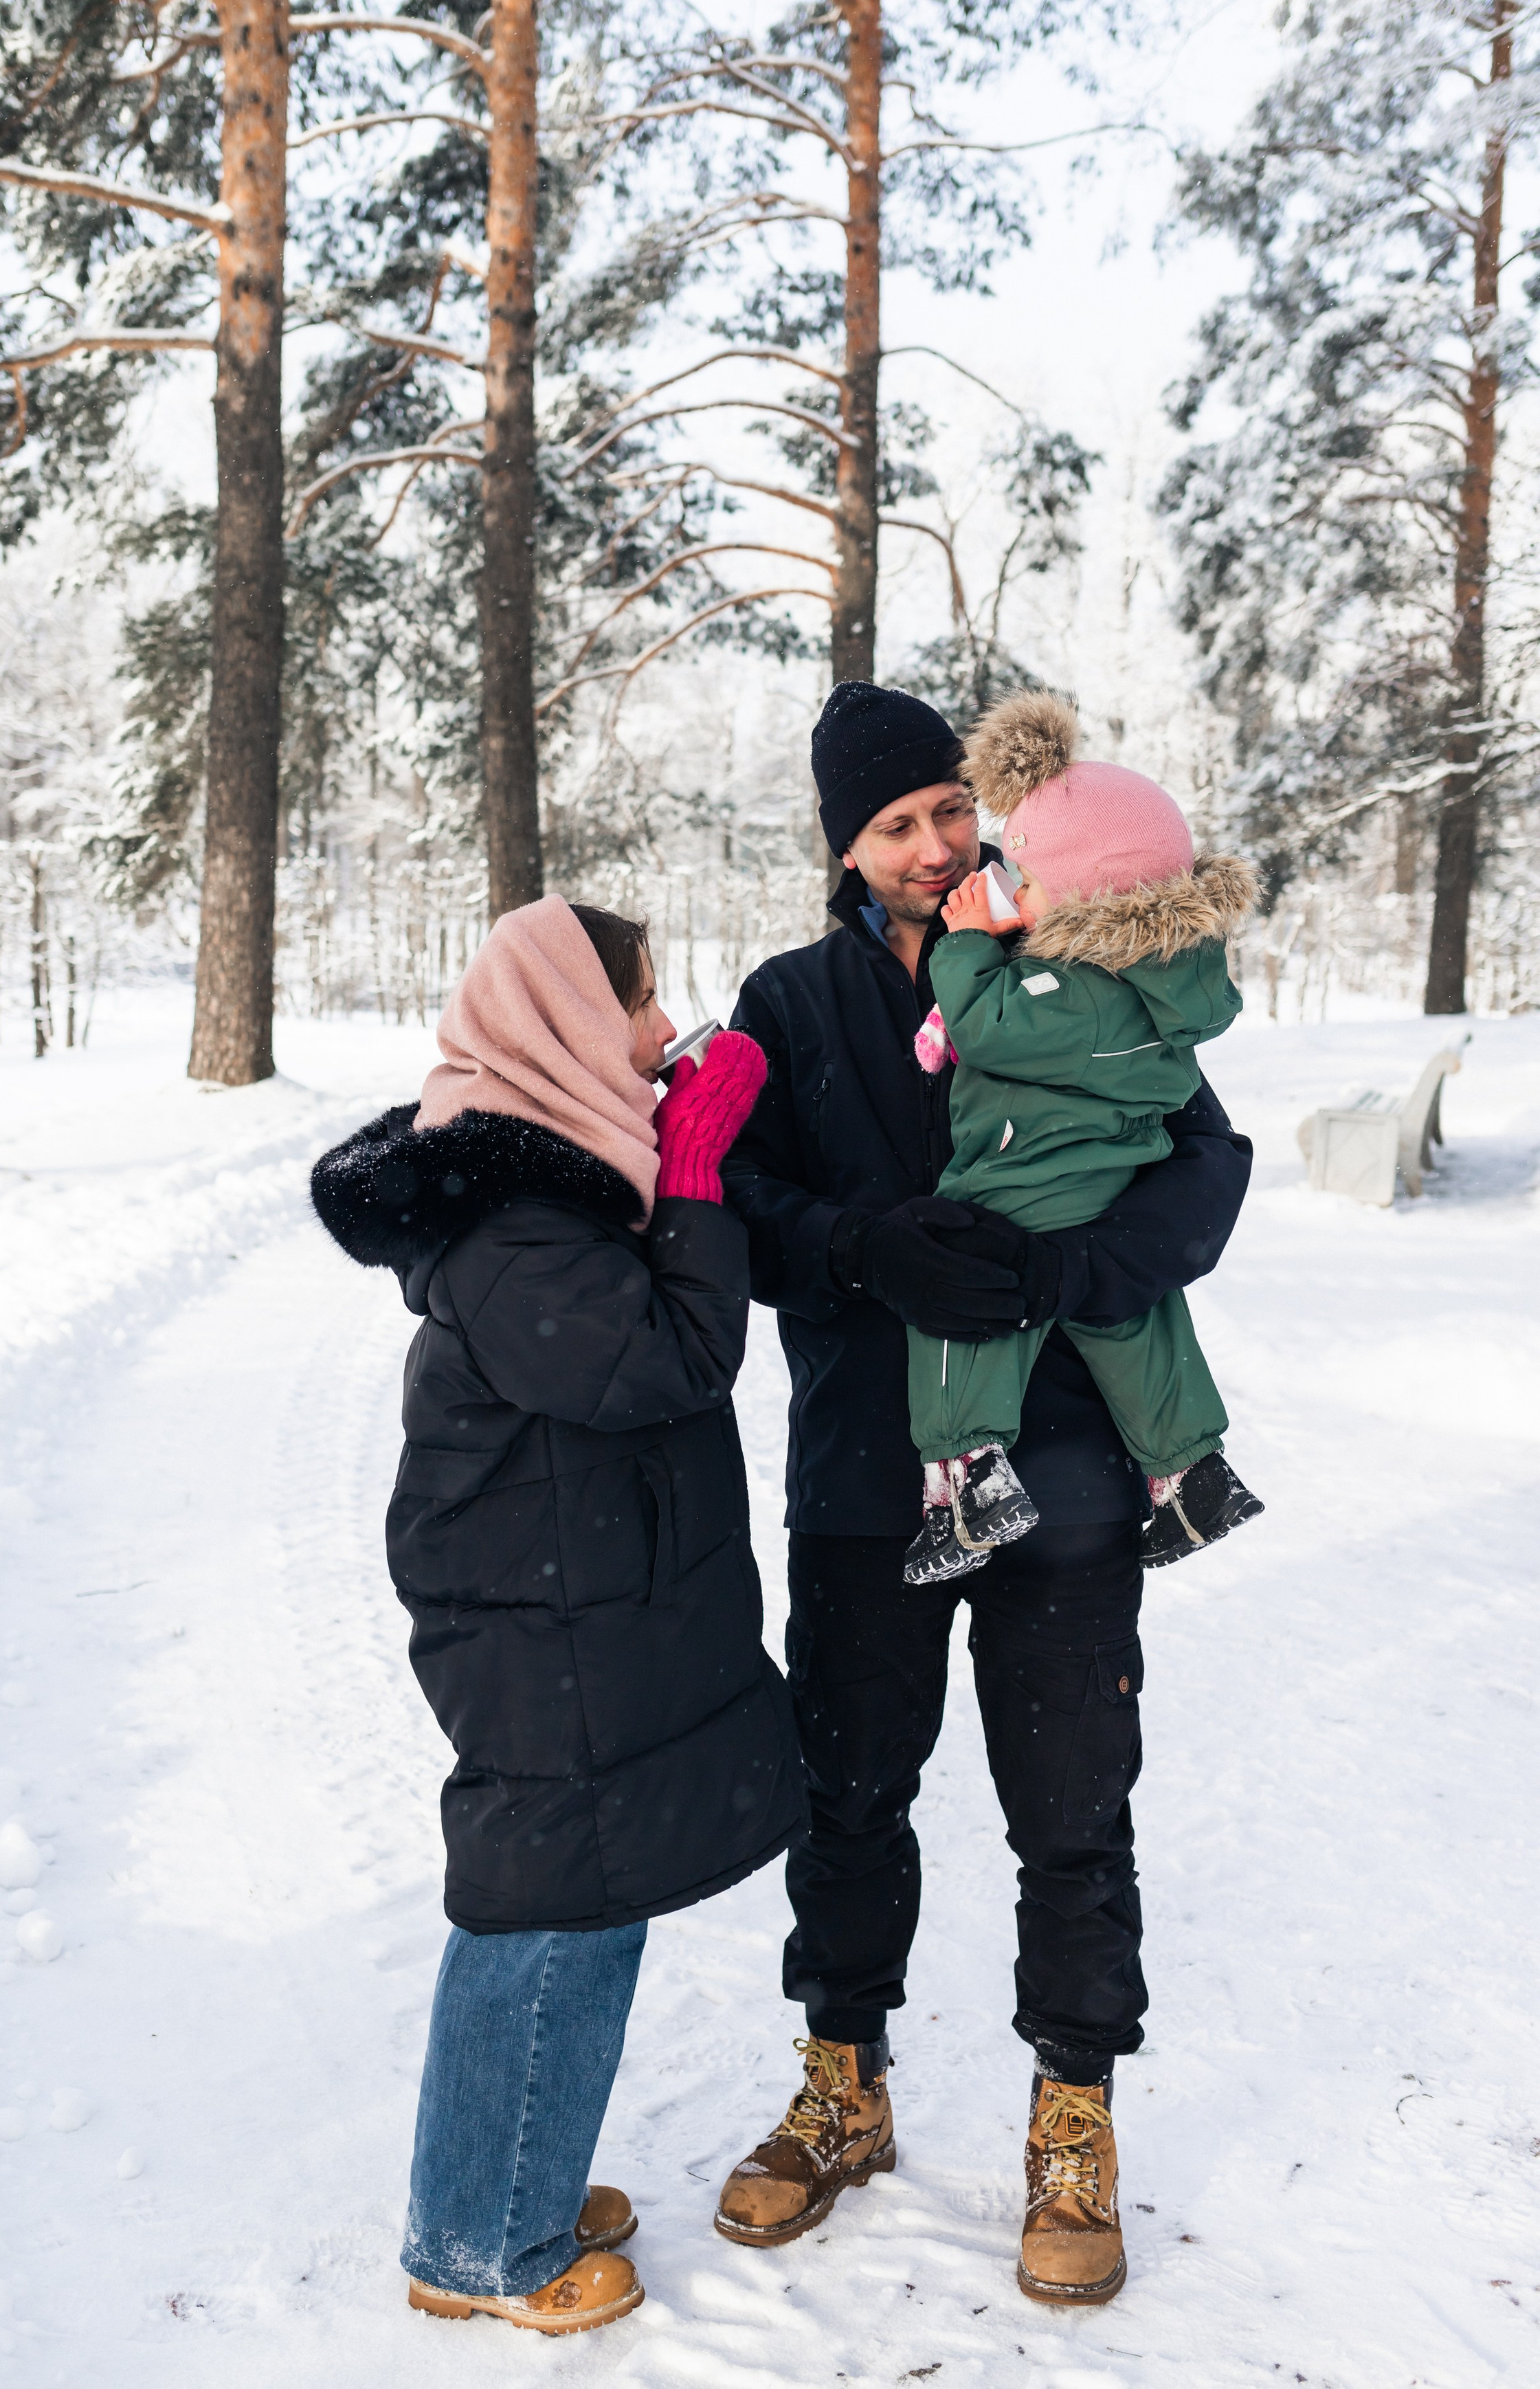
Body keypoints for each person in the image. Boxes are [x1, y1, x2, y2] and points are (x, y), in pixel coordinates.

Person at [712, 680, 1252, 2309]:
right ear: (845, 849)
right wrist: (856, 1247)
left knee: (1070, 1810)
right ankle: (842, 2085)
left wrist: (1059, 1266)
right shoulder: (789, 1002)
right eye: (898, 827)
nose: (938, 844)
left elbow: (1203, 1170)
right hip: (868, 1473)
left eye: (953, 809)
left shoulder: (1081, 943)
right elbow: (724, 1196)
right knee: (850, 1795)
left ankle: (1071, 2120)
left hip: (1071, 1456)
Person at [309, 894, 803, 2338]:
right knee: (547, 1910)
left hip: (573, 1587)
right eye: (639, 1006)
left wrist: (684, 1166)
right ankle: (479, 2243)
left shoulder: (550, 1172)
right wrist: (699, 1169)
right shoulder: (512, 1213)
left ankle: (501, 2177)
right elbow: (663, 1360)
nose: (659, 1035)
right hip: (542, 1610)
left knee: (579, 1894)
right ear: (565, 1024)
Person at [904, 691, 1264, 1584]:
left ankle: (970, 1482)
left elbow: (990, 1026)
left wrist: (963, 944)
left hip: (1021, 1186)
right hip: (1115, 1192)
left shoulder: (1074, 990)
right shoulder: (1163, 985)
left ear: (1081, 894)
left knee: (960, 1310)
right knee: (1135, 1318)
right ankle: (1190, 1473)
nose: (1009, 890)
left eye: (1024, 879)